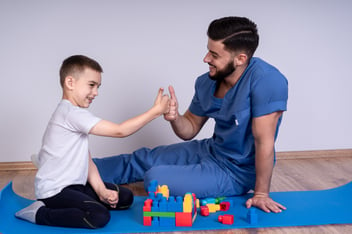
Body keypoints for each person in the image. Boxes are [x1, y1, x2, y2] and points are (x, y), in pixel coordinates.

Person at [94, 16, 288, 213]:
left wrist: (261, 194)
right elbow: (189, 129)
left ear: (240, 59)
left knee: (155, 178)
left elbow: (265, 142)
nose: (206, 59)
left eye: (214, 54)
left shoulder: (267, 81)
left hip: (237, 171)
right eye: (208, 51)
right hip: (211, 150)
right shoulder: (207, 81)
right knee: (141, 158)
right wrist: (175, 117)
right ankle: (77, 168)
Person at [15, 55, 170, 229]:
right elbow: (120, 130)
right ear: (70, 83)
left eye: (98, 87)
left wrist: (101, 191)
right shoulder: (70, 113)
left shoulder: (75, 115)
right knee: (98, 216)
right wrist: (155, 112)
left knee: (125, 197)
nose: (95, 92)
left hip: (76, 186)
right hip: (55, 191)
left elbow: (87, 162)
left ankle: (86, 200)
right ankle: (39, 213)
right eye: (91, 85)